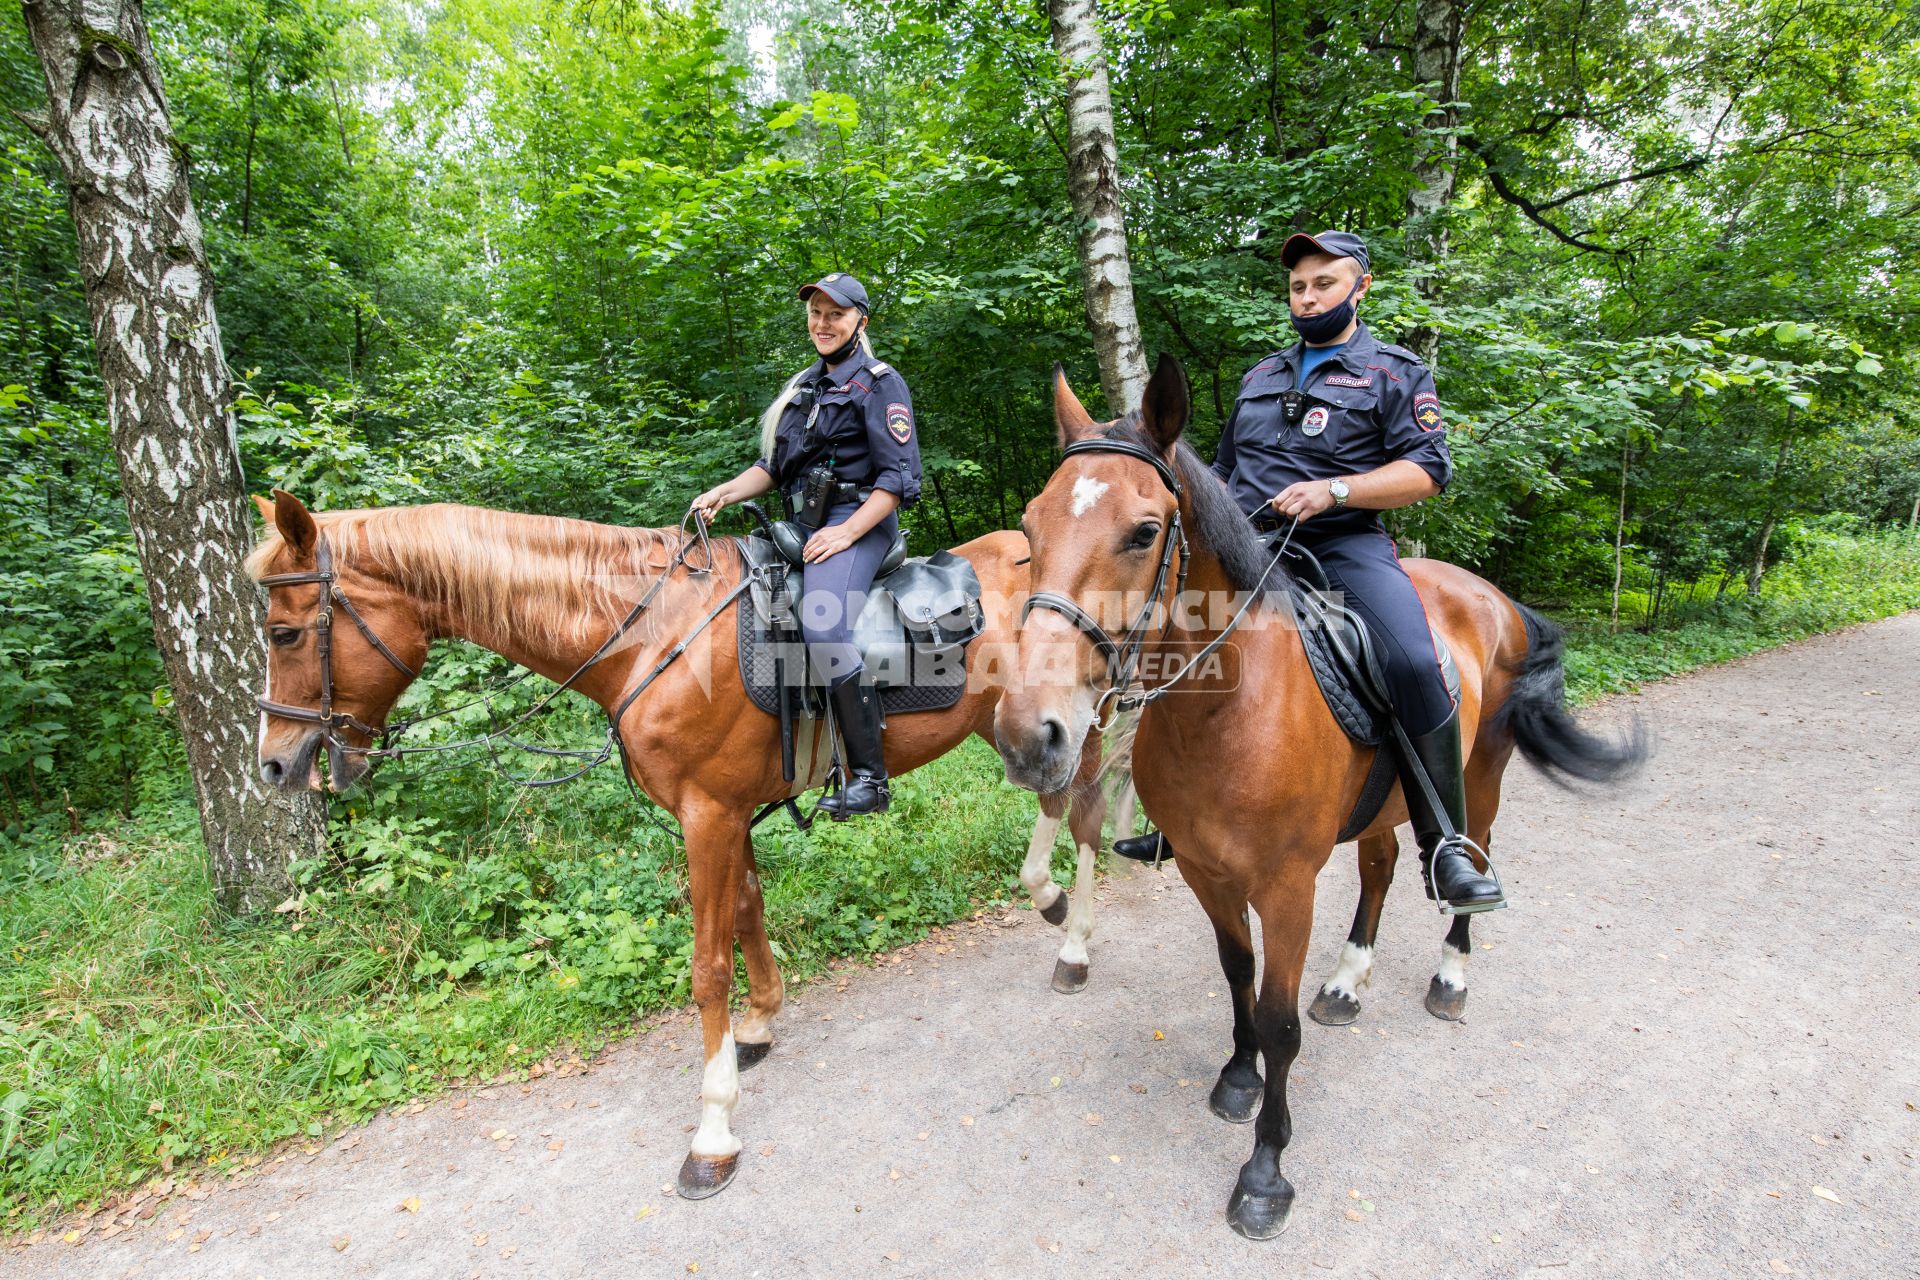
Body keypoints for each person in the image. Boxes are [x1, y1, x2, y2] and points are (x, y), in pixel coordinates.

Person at [1112, 231, 1503, 912]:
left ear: (1360, 288)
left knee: (1412, 661)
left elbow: (1426, 470)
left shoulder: (1393, 370)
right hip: (1249, 549)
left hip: (1344, 546)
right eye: (1298, 286)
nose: (1308, 295)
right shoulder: (1261, 375)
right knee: (1162, 642)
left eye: (1324, 283)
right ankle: (1176, 813)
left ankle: (1445, 845)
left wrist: (1337, 490)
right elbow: (1225, 472)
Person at [692, 272, 922, 818]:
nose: (823, 323)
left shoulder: (880, 383)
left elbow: (898, 479)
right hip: (803, 521)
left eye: (835, 314)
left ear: (860, 321)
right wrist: (723, 492)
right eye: (816, 312)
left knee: (823, 621)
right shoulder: (803, 386)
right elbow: (773, 468)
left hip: (858, 521)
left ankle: (870, 777)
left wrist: (844, 532)